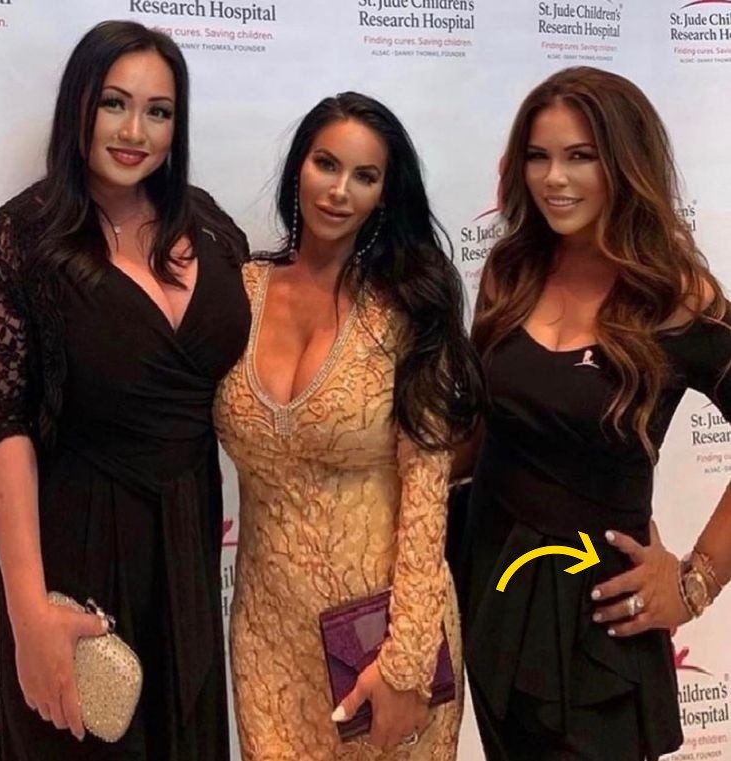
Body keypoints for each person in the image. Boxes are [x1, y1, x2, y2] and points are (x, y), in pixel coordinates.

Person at [0, 20, 250, 760]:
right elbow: (1, 428)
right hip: (79, 544)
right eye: (114, 104)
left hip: (188, 536)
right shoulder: (19, 240)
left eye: (158, 111)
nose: (135, 132)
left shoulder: (209, 224)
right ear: (79, 106)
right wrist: (29, 612)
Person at [455, 66, 731, 761]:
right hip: (491, 584)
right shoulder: (509, 272)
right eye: (538, 156)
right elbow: (478, 432)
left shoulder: (677, 296)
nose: (554, 179)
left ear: (625, 163)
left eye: (581, 156)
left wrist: (696, 581)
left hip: (600, 617)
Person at [213, 91, 482, 760]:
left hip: (384, 635)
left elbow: (427, 494)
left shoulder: (407, 307)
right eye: (326, 164)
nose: (339, 191)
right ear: (297, 168)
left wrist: (405, 663)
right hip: (269, 637)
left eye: (364, 176)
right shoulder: (237, 291)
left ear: (385, 193)